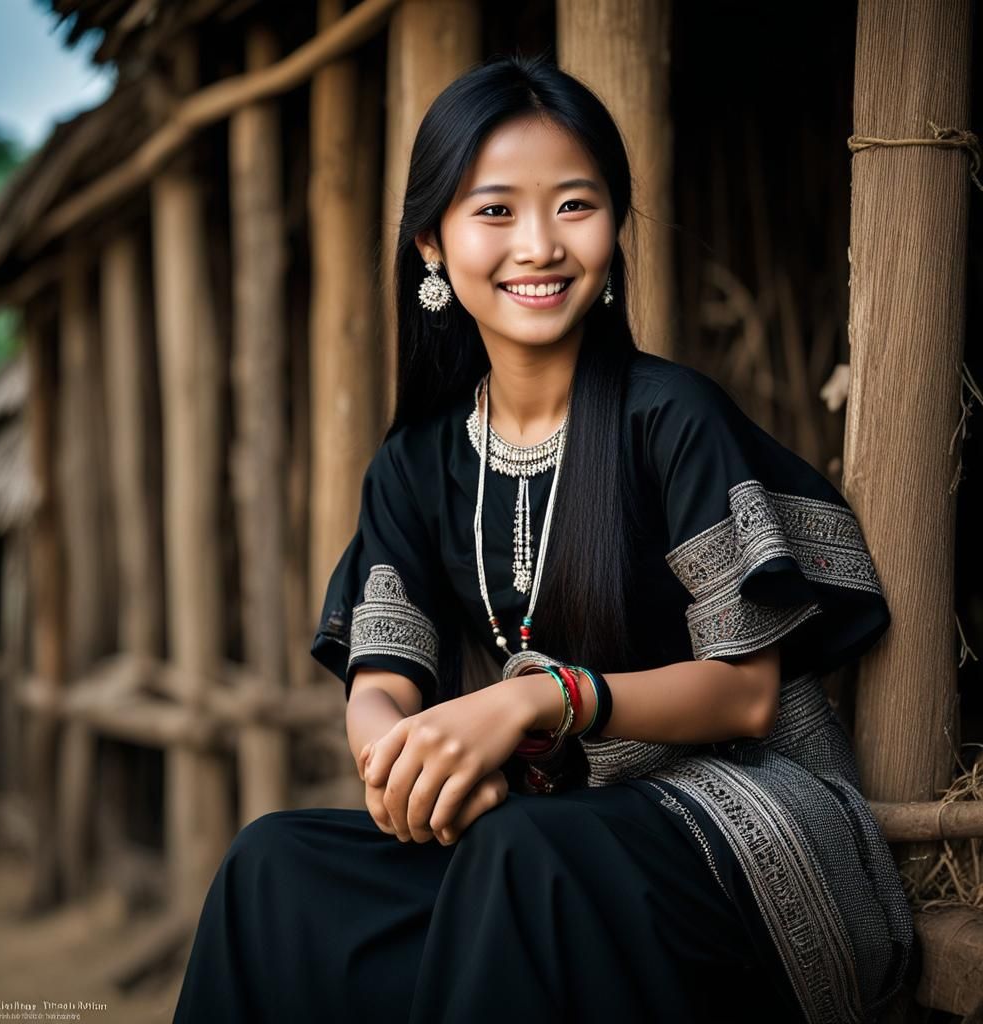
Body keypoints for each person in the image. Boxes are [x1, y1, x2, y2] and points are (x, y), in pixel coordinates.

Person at [172, 53, 914, 1023]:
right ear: (431, 243)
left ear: (613, 224)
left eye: (574, 205)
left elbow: (745, 692)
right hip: (549, 835)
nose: (538, 245)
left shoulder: (670, 416)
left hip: (746, 827)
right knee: (274, 868)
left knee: (522, 859)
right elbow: (380, 679)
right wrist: (404, 761)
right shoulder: (415, 461)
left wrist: (541, 703)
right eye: (493, 212)